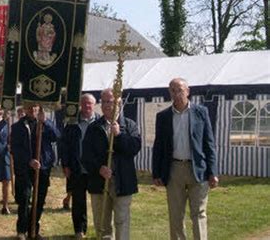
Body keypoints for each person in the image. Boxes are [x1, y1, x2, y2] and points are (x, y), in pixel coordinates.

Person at [152, 78, 218, 240]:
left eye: (180, 90)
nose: (177, 94)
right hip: (174, 169)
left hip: (198, 169)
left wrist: (213, 172)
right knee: (176, 214)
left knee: (199, 213)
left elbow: (209, 143)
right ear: (169, 93)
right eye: (173, 90)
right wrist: (156, 173)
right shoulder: (163, 116)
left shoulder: (201, 112)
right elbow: (158, 146)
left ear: (187, 91)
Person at [82, 88, 141, 239]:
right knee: (102, 224)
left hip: (122, 182)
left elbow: (134, 148)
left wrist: (119, 135)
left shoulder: (129, 125)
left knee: (122, 221)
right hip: (99, 184)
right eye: (105, 101)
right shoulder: (94, 128)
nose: (108, 105)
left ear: (120, 103)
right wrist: (99, 168)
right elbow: (86, 156)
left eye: (112, 101)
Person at [11, 103, 60, 240]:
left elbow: (56, 137)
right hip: (25, 168)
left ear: (39, 108)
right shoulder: (18, 127)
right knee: (25, 198)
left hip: (42, 167)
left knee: (39, 199)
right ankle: (22, 230)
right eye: (30, 107)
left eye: (36, 107)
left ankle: (34, 228)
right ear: (25, 109)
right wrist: (29, 160)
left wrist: (46, 122)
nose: (33, 110)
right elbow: (15, 149)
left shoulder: (45, 124)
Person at [61, 93, 101, 239]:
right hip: (77, 168)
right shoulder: (72, 122)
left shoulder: (100, 122)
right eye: (84, 103)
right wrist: (65, 164)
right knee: (78, 201)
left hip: (95, 169)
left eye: (89, 103)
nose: (87, 106)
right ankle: (79, 230)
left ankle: (101, 229)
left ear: (94, 105)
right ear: (80, 105)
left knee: (98, 201)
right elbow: (64, 144)